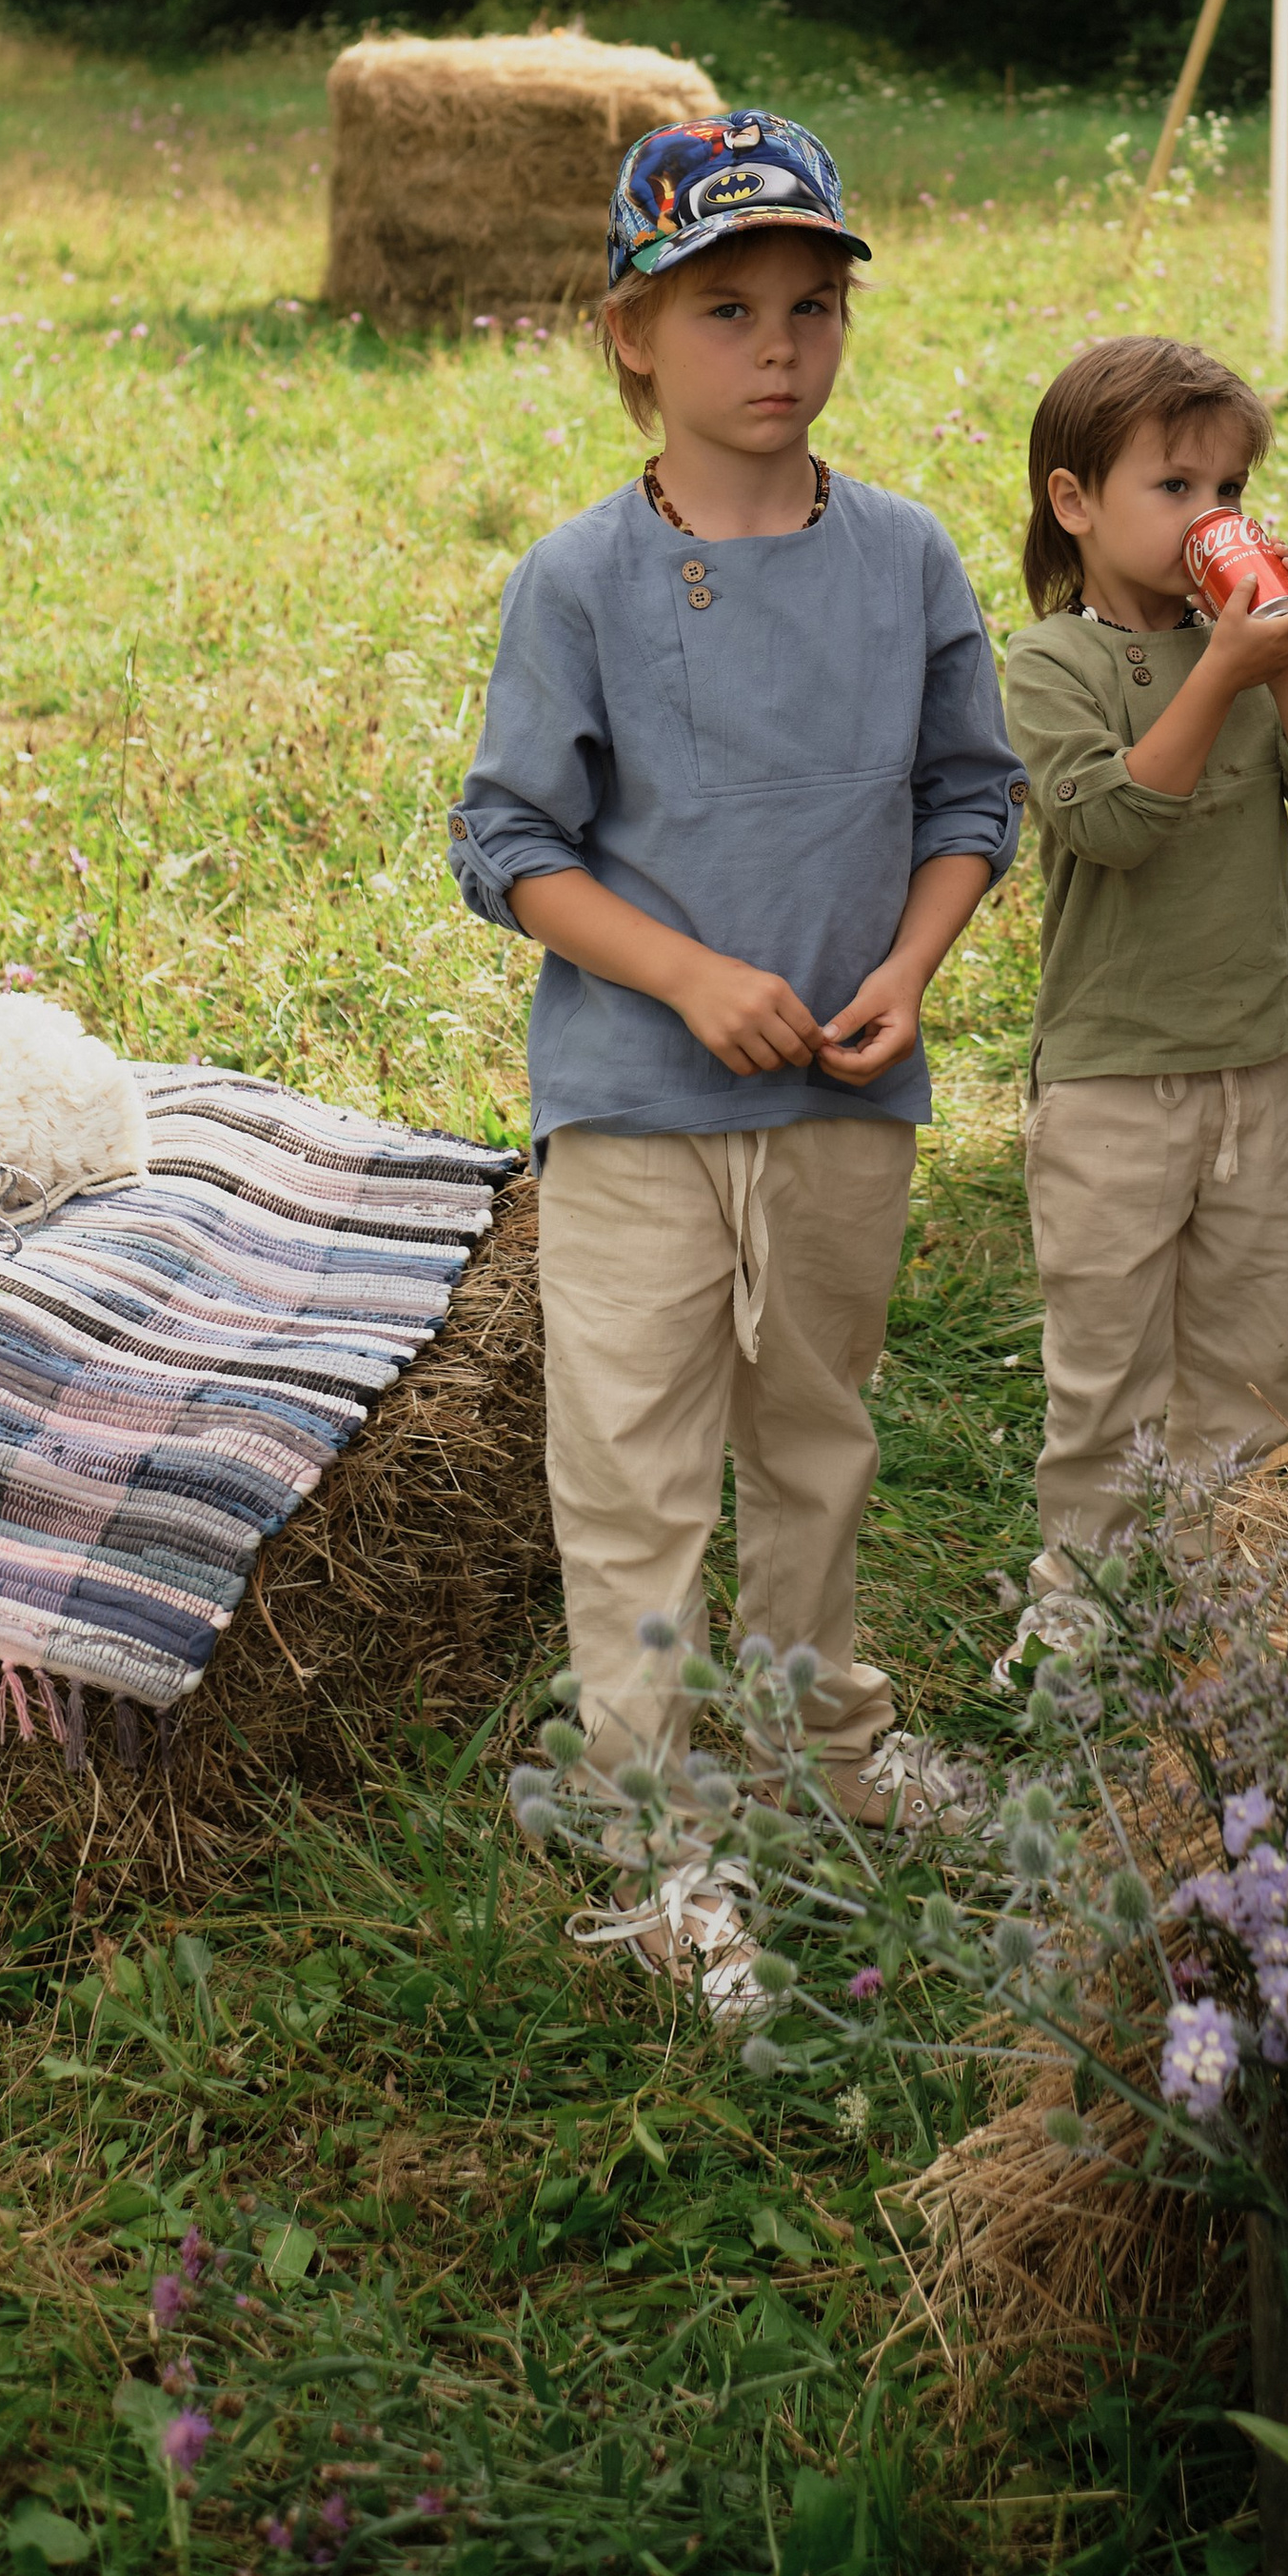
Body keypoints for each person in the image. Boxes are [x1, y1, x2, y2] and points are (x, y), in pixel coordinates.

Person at [447, 110, 1024, 2011]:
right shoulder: (581, 580)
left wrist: (913, 969)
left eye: (808, 306)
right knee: (634, 1468)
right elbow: (508, 844)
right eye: (724, 309)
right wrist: (688, 977)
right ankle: (648, 1832)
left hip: (844, 1099)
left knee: (815, 1433)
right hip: (638, 1109)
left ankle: (821, 1745)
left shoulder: (906, 558)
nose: (775, 347)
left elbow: (970, 797)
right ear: (631, 333)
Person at [996, 335, 1288, 1672]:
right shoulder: (1052, 662)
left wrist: (1280, 661)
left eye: (1229, 490)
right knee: (1108, 1371)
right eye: (1174, 487)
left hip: (1260, 1061)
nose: (1209, 516)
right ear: (1074, 503)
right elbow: (1112, 822)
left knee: (1244, 1359)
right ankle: (1084, 1614)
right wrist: (1219, 672)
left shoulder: (1248, 662)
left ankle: (1229, 1600)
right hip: (1112, 1081)